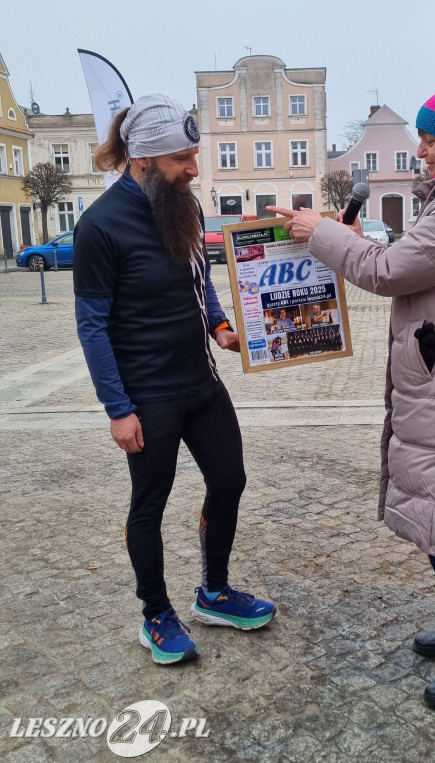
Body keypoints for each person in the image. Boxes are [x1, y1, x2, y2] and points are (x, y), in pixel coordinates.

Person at [268, 49, 435, 707]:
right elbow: (410, 260)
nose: (420, 149)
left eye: (429, 138)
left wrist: (323, 233)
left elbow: (388, 272)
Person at [73, 94, 276, 666]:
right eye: (181, 159)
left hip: (202, 385)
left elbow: (199, 273)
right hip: (146, 397)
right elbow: (91, 327)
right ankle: (155, 613)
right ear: (142, 160)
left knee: (230, 481)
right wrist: (117, 408)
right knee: (150, 505)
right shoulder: (99, 227)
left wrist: (219, 323)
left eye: (194, 155)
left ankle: (214, 592)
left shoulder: (183, 206)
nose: (193, 169)